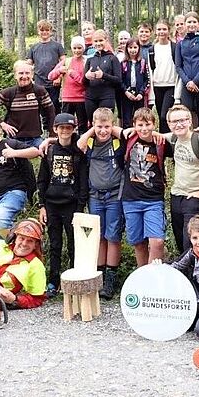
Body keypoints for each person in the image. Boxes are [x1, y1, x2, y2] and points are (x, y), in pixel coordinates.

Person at [37, 113, 89, 297]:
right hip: (52, 204)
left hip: (72, 204)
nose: (65, 131)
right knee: (55, 243)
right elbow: (42, 180)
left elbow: (84, 182)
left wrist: (80, 207)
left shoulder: (79, 151)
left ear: (74, 129)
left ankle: (75, 279)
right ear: (55, 129)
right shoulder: (49, 151)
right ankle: (53, 281)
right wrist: (41, 205)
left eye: (69, 127)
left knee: (75, 243)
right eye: (61, 127)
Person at [77, 108, 126, 299]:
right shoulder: (88, 141)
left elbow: (128, 133)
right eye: (99, 127)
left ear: (112, 126)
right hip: (95, 195)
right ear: (92, 126)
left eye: (107, 127)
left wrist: (112, 128)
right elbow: (79, 143)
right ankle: (99, 276)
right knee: (98, 236)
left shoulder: (117, 141)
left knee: (112, 235)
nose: (103, 131)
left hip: (115, 195)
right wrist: (91, 130)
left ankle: (110, 278)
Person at [0, 117, 41, 240]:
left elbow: (35, 151)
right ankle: (9, 253)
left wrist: (14, 153)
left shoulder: (10, 143)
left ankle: (19, 245)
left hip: (14, 192)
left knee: (0, 221)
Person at [121, 107, 171, 266]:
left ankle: (152, 280)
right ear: (134, 125)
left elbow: (180, 138)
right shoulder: (128, 139)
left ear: (154, 125)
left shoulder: (161, 143)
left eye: (148, 125)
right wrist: (50, 140)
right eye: (140, 125)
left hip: (153, 200)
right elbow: (104, 127)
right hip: (131, 199)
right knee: (138, 242)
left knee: (157, 242)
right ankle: (141, 278)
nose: (144, 129)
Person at [165, 104, 199, 254]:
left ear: (190, 121)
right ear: (169, 124)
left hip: (195, 197)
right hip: (177, 195)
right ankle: (185, 275)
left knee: (192, 243)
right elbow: (150, 134)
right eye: (174, 121)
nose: (179, 124)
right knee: (180, 243)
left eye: (182, 120)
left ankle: (197, 276)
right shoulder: (173, 138)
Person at [0, 60, 56, 148]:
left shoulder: (40, 91)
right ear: (15, 75)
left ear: (32, 75)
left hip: (35, 139)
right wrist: (2, 124)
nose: (24, 76)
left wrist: (52, 134)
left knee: (49, 153)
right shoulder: (8, 93)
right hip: (14, 139)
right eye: (21, 73)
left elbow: (50, 112)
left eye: (27, 73)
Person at [175, 12, 199, 129]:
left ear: (198, 24)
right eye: (189, 22)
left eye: (194, 22)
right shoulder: (181, 43)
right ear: (185, 24)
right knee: (187, 110)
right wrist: (188, 82)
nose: (191, 24)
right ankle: (187, 135)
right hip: (187, 83)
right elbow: (178, 66)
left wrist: (195, 81)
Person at [48, 36, 88, 136]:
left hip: (81, 99)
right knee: (66, 123)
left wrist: (74, 75)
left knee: (82, 125)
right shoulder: (66, 61)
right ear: (71, 49)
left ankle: (81, 145)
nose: (77, 50)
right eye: (74, 48)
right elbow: (50, 76)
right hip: (67, 99)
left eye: (79, 48)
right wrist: (59, 71)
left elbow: (85, 82)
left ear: (83, 48)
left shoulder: (86, 61)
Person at [27, 19, 67, 115]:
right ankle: (44, 127)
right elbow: (29, 64)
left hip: (53, 82)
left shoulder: (57, 46)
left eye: (47, 30)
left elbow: (64, 62)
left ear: (50, 31)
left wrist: (59, 77)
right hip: (39, 81)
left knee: (54, 104)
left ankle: (55, 125)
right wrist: (29, 78)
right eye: (42, 30)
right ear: (38, 31)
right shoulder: (34, 47)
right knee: (40, 105)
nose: (44, 32)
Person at [83, 29, 122, 122]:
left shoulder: (112, 58)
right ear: (92, 43)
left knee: (105, 122)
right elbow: (84, 83)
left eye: (101, 40)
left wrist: (103, 75)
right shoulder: (90, 60)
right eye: (96, 41)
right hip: (90, 97)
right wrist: (86, 77)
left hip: (107, 96)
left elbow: (118, 80)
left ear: (106, 41)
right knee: (93, 123)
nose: (98, 43)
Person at [150, 19, 178, 133]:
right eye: (159, 29)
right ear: (155, 32)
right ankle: (162, 143)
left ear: (169, 31)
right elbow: (151, 68)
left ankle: (168, 141)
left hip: (171, 85)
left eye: (164, 29)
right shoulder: (152, 49)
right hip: (157, 86)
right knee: (161, 115)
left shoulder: (174, 47)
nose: (162, 32)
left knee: (164, 116)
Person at [119, 37, 150, 128]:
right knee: (127, 119)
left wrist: (141, 93)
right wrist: (126, 92)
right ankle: (126, 140)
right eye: (130, 47)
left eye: (135, 47)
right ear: (127, 49)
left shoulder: (143, 63)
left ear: (139, 48)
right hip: (126, 94)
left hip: (139, 94)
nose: (133, 50)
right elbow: (120, 80)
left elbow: (147, 80)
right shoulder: (123, 63)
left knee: (140, 117)